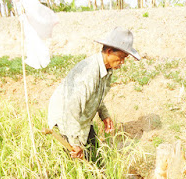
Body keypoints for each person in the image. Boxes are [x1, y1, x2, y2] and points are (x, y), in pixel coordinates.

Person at [47, 27, 140, 159]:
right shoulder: (89, 72)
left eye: (125, 58)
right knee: (75, 162)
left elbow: (96, 95)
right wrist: (74, 142)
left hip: (82, 116)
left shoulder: (107, 69)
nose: (123, 62)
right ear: (108, 52)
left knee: (95, 157)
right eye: (121, 57)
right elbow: (71, 107)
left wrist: (104, 115)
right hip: (66, 119)